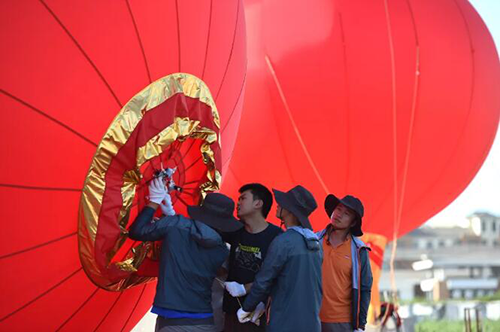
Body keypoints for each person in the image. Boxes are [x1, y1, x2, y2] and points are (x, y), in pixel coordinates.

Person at [128, 177, 243, 332]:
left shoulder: (176, 225)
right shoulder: (221, 251)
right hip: (206, 321)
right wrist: (171, 220)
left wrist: (154, 202)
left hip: (172, 321)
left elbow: (137, 231)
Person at [237, 185, 323, 332]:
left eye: (283, 203)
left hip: (285, 323)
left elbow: (264, 280)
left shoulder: (284, 241)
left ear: (290, 210)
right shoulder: (316, 243)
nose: (278, 204)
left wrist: (246, 308)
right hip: (311, 323)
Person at [222, 183, 283, 332]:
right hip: (230, 311)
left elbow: (279, 276)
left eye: (243, 198)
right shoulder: (234, 230)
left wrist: (250, 291)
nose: (238, 203)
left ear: (258, 203)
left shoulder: (277, 237)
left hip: (256, 313)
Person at [316, 194, 373, 332]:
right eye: (338, 209)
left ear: (353, 222)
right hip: (311, 317)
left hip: (342, 322)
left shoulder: (359, 250)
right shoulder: (313, 241)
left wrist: (361, 326)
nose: (339, 215)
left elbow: (365, 289)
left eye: (346, 213)